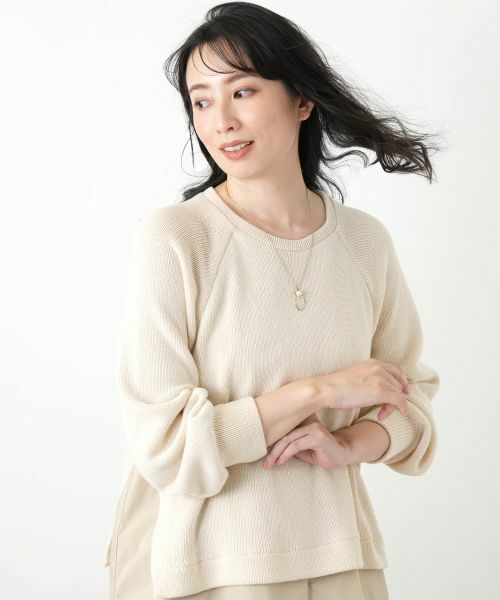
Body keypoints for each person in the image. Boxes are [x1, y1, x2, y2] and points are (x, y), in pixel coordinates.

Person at [103, 2, 444, 599]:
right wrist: (320, 392)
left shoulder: (364, 242)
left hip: (343, 560)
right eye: (201, 101)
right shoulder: (177, 239)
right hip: (212, 569)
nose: (221, 121)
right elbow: (165, 443)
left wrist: (349, 444)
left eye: (243, 92)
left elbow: (410, 397)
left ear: (302, 100)